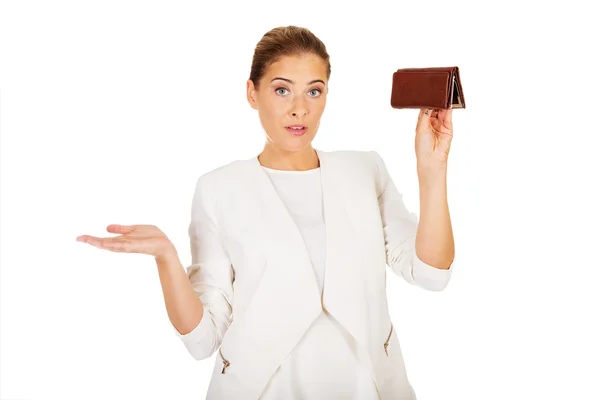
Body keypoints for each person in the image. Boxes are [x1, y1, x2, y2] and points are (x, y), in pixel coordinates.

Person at [76, 25, 456, 400]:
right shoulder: (219, 189)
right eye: (281, 89)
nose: (299, 108)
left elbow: (432, 274)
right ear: (252, 93)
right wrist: (166, 258)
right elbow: (203, 339)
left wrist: (432, 170)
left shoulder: (365, 170)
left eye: (314, 91)